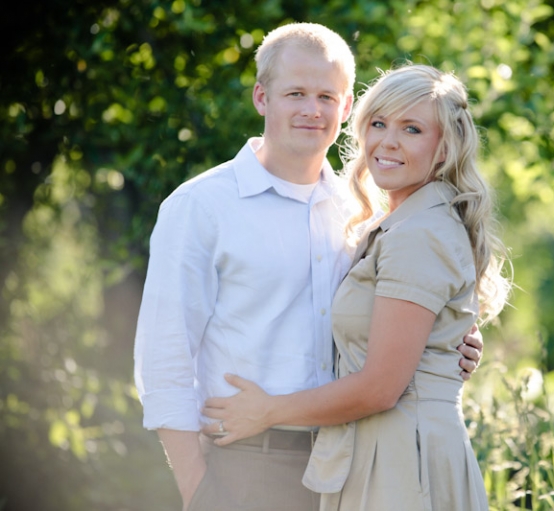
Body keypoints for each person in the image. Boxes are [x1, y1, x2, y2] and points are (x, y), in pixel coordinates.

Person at [133, 24, 483, 511]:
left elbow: (393, 319)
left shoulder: (359, 211)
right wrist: (201, 493)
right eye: (295, 93)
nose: (311, 109)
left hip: (351, 461)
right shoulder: (201, 206)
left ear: (345, 109)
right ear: (261, 97)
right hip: (248, 467)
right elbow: (163, 364)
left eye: (327, 96)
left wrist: (450, 343)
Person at [202, 64, 511, 510]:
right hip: (386, 452)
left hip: (402, 464)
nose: (387, 141)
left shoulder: (418, 232)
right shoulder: (399, 222)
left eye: (412, 128)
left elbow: (380, 388)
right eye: (379, 123)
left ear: (444, 147)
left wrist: (268, 411)